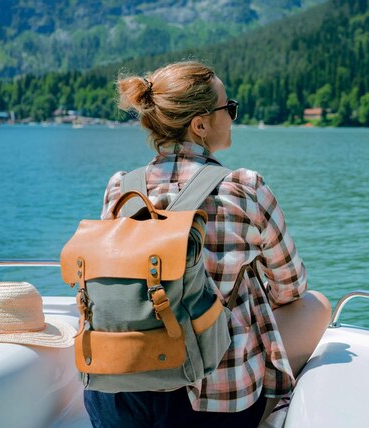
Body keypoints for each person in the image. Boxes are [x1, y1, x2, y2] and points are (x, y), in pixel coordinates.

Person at [84, 60, 332, 427]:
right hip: (210, 408)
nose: (233, 115)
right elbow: (290, 288)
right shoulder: (243, 189)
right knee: (317, 306)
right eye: (227, 108)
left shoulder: (122, 188)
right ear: (200, 124)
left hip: (117, 397)